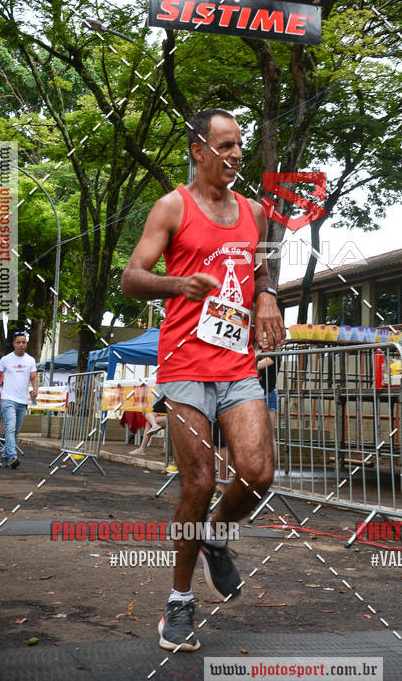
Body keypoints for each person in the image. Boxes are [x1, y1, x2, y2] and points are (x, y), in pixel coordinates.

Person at [121, 108, 285, 651]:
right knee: (198, 482)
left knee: (259, 472)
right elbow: (131, 277)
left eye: (240, 145)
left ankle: (217, 532)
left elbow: (262, 267)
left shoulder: (255, 213)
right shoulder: (173, 206)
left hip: (237, 365)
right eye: (225, 145)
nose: (236, 154)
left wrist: (266, 295)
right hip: (186, 365)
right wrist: (177, 285)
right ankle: (178, 604)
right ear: (198, 150)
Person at [0, 333, 38, 469]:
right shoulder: (6, 360)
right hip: (8, 399)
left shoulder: (30, 360)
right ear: (13, 344)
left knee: (15, 432)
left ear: (26, 344)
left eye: (23, 342)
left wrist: (36, 390)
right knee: (10, 428)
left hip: (22, 401)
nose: (21, 345)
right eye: (18, 342)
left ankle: (5, 457)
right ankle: (13, 457)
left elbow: (34, 377)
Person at [256, 348, 280, 465]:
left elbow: (255, 366)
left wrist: (255, 356)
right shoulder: (261, 354)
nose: (265, 340)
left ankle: (271, 465)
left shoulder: (274, 354)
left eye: (267, 338)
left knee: (270, 434)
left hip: (268, 394)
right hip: (257, 395)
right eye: (263, 338)